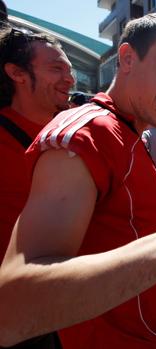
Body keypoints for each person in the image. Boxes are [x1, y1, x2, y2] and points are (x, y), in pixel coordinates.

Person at [0, 13, 156, 348]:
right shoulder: (85, 134)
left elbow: (115, 240)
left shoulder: (131, 132)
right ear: (127, 58)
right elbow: (14, 308)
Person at [0, 25, 74, 349]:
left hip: (69, 304)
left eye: (69, 70)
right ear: (16, 72)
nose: (69, 80)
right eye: (56, 68)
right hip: (17, 319)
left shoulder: (75, 132)